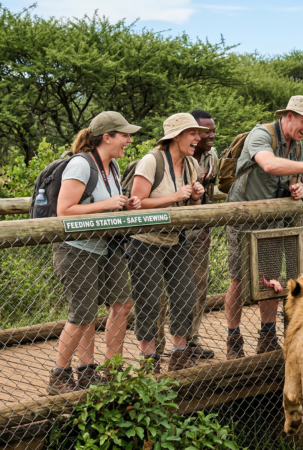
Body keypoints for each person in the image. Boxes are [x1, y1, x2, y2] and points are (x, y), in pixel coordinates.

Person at [224, 95, 303, 359]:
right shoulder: (261, 134)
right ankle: (233, 337)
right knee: (239, 278)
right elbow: (269, 164)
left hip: (272, 219)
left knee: (270, 279)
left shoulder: (295, 144)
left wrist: (295, 186)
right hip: (244, 216)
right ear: (289, 116)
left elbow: (290, 176)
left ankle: (267, 334)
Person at [48, 111, 142, 395]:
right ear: (107, 137)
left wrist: (125, 204)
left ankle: (99, 370)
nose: (128, 140)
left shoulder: (111, 166)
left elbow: (105, 203)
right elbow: (64, 210)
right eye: (124, 135)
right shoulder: (80, 164)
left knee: (123, 303)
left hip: (107, 246)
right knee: (83, 313)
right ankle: (60, 375)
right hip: (78, 249)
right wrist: (106, 205)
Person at [128, 113, 207, 373]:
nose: (198, 137)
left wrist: (196, 197)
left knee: (186, 296)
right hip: (146, 241)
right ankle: (149, 360)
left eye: (198, 133)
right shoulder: (152, 161)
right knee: (149, 300)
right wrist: (173, 196)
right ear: (176, 136)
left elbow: (191, 206)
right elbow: (137, 203)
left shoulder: (191, 165)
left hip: (176, 239)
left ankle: (179, 354)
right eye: (192, 133)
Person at [153, 109, 218, 360]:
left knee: (197, 288)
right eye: (202, 131)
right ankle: (157, 346)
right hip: (165, 234)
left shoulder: (210, 158)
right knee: (160, 293)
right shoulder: (160, 160)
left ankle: (190, 340)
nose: (209, 135)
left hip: (197, 231)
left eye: (211, 130)